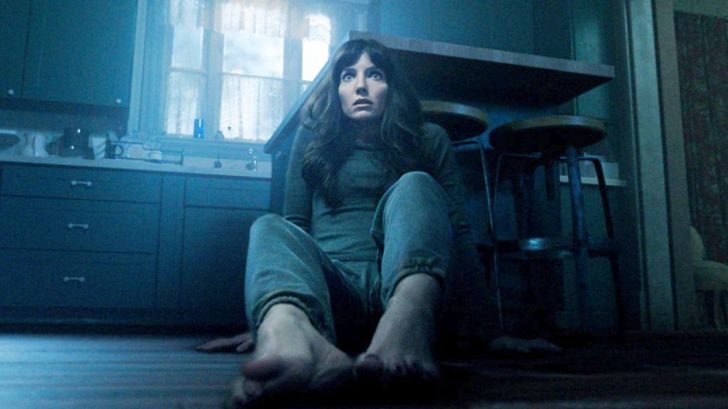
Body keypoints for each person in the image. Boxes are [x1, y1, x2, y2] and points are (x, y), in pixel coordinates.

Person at [204, 38, 485, 408]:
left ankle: (406, 325)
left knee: (416, 184)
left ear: (392, 87)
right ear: (336, 89)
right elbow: (294, 227)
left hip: (408, 292)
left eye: (375, 75)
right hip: (335, 298)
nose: (361, 86)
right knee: (269, 227)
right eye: (348, 76)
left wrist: (490, 328)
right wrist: (274, 307)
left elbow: (459, 232)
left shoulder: (429, 138)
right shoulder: (312, 139)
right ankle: (291, 338)